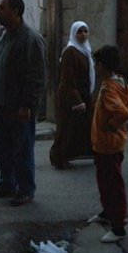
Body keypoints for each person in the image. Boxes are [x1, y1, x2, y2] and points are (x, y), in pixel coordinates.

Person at [0, 0, 47, 206]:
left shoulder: (30, 38)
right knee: (1, 148)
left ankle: (26, 189)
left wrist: (27, 105)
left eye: (2, 8)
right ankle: (7, 183)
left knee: (22, 149)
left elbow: (36, 76)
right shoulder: (1, 36)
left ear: (16, 11)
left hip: (17, 107)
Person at [87, 45, 128, 243]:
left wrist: (111, 125)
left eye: (96, 63)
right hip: (109, 144)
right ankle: (107, 212)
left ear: (101, 65)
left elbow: (124, 113)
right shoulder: (120, 82)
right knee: (105, 181)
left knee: (112, 184)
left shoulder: (109, 87)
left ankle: (118, 227)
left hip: (109, 144)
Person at [49, 21, 95, 170]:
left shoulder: (85, 50)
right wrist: (77, 100)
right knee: (66, 128)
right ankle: (59, 158)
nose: (83, 35)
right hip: (70, 97)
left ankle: (84, 154)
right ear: (74, 34)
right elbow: (67, 79)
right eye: (79, 32)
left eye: (85, 31)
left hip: (82, 94)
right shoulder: (70, 51)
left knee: (81, 128)